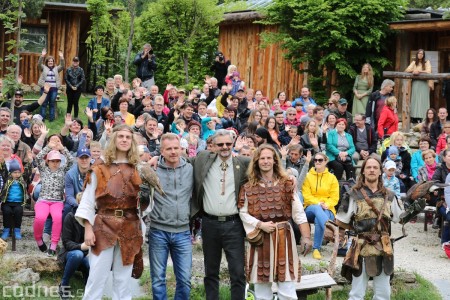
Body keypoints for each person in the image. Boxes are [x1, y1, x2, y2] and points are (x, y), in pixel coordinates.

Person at [75, 125, 143, 300]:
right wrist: (88, 229)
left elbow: (145, 206)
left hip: (130, 226)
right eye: (120, 136)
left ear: (132, 142)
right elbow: (88, 201)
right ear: (114, 140)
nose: (124, 140)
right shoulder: (100, 168)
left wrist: (146, 200)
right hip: (103, 226)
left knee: (123, 280)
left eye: (128, 137)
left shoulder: (138, 168)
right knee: (96, 277)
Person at [238, 144, 312, 299]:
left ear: (275, 161)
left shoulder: (287, 183)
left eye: (268, 158)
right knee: (261, 286)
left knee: (287, 287)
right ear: (257, 162)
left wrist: (306, 237)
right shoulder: (248, 187)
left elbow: (298, 212)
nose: (265, 161)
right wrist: (260, 225)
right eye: (262, 158)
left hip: (284, 238)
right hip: (260, 238)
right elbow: (243, 212)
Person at [190, 129, 250, 300]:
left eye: (228, 144)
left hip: (234, 224)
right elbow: (182, 160)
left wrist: (289, 175)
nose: (225, 147)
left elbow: (267, 163)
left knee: (238, 272)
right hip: (210, 224)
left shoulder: (243, 162)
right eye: (220, 144)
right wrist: (157, 157)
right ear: (213, 146)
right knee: (211, 271)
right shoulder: (203, 159)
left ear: (233, 144)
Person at [336, 157, 404, 300]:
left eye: (375, 167)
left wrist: (413, 210)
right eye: (368, 167)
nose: (372, 170)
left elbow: (400, 218)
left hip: (383, 248)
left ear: (380, 172)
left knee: (383, 294)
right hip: (360, 247)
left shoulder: (390, 195)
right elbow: (341, 221)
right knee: (356, 294)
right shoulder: (353, 195)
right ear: (363, 172)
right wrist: (354, 233)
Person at [148, 133, 193, 299]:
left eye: (176, 148)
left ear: (181, 149)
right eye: (169, 149)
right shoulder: (152, 169)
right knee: (158, 278)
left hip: (183, 232)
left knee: (185, 278)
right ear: (162, 151)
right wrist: (152, 159)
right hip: (158, 230)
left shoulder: (190, 168)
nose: (173, 152)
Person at [33, 139, 74, 256]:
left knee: (58, 218)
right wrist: (48, 147)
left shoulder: (62, 170)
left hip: (57, 202)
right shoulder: (43, 169)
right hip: (43, 201)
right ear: (48, 161)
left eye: (57, 161)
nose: (55, 163)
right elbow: (37, 158)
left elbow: (71, 161)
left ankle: (53, 245)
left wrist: (62, 149)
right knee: (40, 218)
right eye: (52, 161)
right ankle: (39, 240)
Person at [302, 152, 339, 259]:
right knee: (318, 209)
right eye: (315, 160)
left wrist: (326, 204)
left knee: (319, 218)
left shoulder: (332, 178)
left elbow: (335, 197)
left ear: (326, 161)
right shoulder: (308, 176)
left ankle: (316, 249)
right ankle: (330, 228)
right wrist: (319, 203)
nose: (317, 162)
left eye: (320, 160)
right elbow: (306, 195)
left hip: (328, 209)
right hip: (310, 208)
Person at [57, 196, 90, 300]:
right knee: (77, 254)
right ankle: (64, 284)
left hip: (86, 254)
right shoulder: (70, 217)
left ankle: (88, 287)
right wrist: (81, 246)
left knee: (89, 262)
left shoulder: (93, 219)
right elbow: (66, 242)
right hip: (69, 253)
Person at [0, 159, 27, 240]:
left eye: (18, 172)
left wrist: (29, 162)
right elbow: (3, 170)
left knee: (18, 211)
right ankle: (6, 229)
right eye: (15, 172)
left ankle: (17, 229)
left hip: (18, 203)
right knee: (7, 212)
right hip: (7, 202)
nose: (17, 174)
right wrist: (2, 162)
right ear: (10, 173)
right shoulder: (7, 179)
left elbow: (28, 172)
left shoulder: (22, 179)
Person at [64, 148, 92, 223]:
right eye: (81, 158)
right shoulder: (70, 174)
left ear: (91, 158)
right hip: (76, 201)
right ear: (77, 159)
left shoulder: (96, 172)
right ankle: (65, 233)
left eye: (86, 157)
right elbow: (69, 196)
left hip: (92, 201)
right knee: (67, 207)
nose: (84, 160)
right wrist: (79, 204)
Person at [405, 49, 432, 123]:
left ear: (424, 55)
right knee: (415, 99)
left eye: (422, 54)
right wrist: (413, 71)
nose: (420, 55)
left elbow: (429, 71)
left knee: (423, 100)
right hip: (416, 83)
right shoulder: (414, 62)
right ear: (417, 54)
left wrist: (419, 71)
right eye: (419, 53)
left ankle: (423, 117)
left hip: (424, 83)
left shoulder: (427, 62)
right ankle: (414, 117)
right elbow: (407, 70)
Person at [38, 48, 65, 121]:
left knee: (52, 104)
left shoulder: (56, 68)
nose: (50, 62)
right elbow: (39, 64)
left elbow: (62, 66)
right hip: (44, 89)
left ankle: (51, 120)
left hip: (54, 89)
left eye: (52, 61)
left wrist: (61, 57)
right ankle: (42, 119)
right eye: (49, 61)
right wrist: (42, 55)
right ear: (47, 62)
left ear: (53, 62)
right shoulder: (44, 67)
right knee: (43, 104)